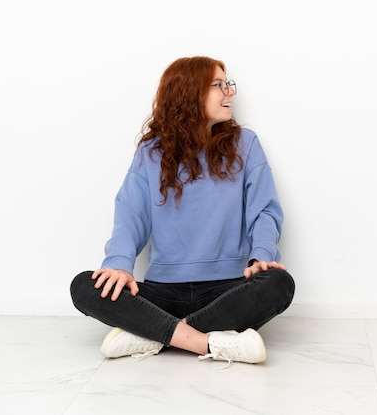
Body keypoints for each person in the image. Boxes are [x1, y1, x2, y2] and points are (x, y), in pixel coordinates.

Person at [70, 56, 295, 366]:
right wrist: (119, 265)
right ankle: (207, 341)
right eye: (219, 85)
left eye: (228, 83)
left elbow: (264, 211)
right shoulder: (151, 152)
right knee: (85, 286)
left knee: (279, 284)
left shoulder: (246, 143)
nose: (230, 91)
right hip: (164, 293)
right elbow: (130, 216)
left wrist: (261, 258)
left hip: (227, 289)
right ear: (190, 93)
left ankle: (154, 334)